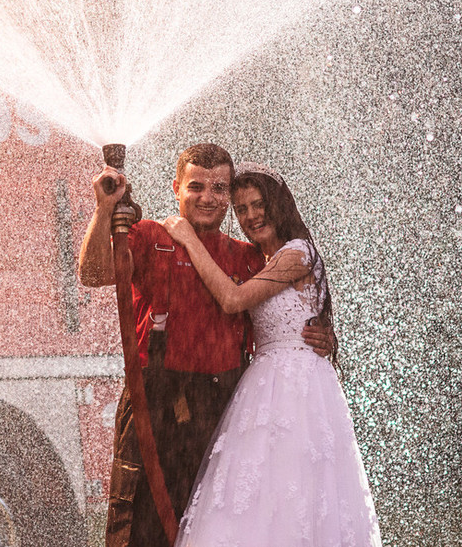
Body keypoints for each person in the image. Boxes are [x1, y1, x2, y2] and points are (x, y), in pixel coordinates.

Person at [79, 144, 334, 547]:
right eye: (196, 186)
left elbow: (294, 296)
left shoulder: (249, 257)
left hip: (225, 405)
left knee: (219, 529)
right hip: (157, 402)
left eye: (219, 188)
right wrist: (103, 210)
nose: (208, 197)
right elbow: (93, 273)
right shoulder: (149, 237)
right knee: (142, 527)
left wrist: (318, 330)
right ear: (177, 187)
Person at [163, 162, 380, 546]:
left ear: (278, 204)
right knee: (255, 497)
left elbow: (232, 301)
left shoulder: (297, 253)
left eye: (258, 204)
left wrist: (188, 238)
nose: (250, 215)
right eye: (241, 208)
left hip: (295, 390)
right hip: (263, 381)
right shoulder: (259, 260)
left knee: (291, 493)